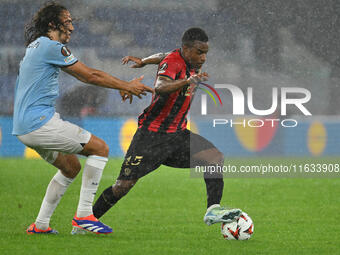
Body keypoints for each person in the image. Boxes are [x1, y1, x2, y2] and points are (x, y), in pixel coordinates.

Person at [12, 2, 153, 235]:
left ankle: (40, 225)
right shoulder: (50, 46)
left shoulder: (34, 47)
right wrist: (125, 84)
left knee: (71, 167)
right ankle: (84, 215)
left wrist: (119, 85)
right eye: (67, 21)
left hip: (24, 125)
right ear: (52, 24)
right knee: (100, 148)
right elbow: (90, 75)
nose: (72, 28)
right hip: (38, 123)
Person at [93, 27, 242, 229]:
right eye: (200, 52)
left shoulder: (185, 58)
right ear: (186, 49)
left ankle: (213, 209)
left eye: (206, 52)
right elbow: (161, 87)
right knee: (123, 186)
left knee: (214, 158)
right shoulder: (175, 63)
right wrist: (187, 81)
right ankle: (87, 220)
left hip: (178, 135)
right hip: (151, 136)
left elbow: (162, 55)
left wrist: (144, 60)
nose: (204, 58)